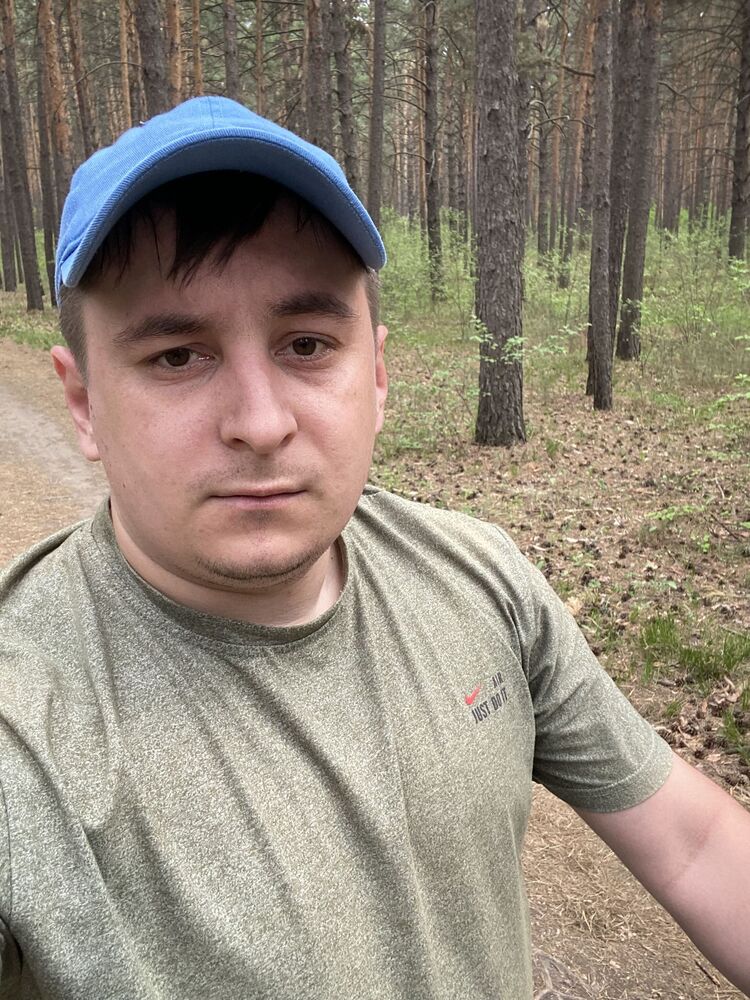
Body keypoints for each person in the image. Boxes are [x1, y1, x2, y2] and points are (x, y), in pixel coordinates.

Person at [0, 96, 748, 1000]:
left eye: (306, 344)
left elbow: (695, 844)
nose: (261, 424)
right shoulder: (26, 728)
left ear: (379, 375)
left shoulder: (480, 579)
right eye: (177, 357)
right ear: (83, 403)